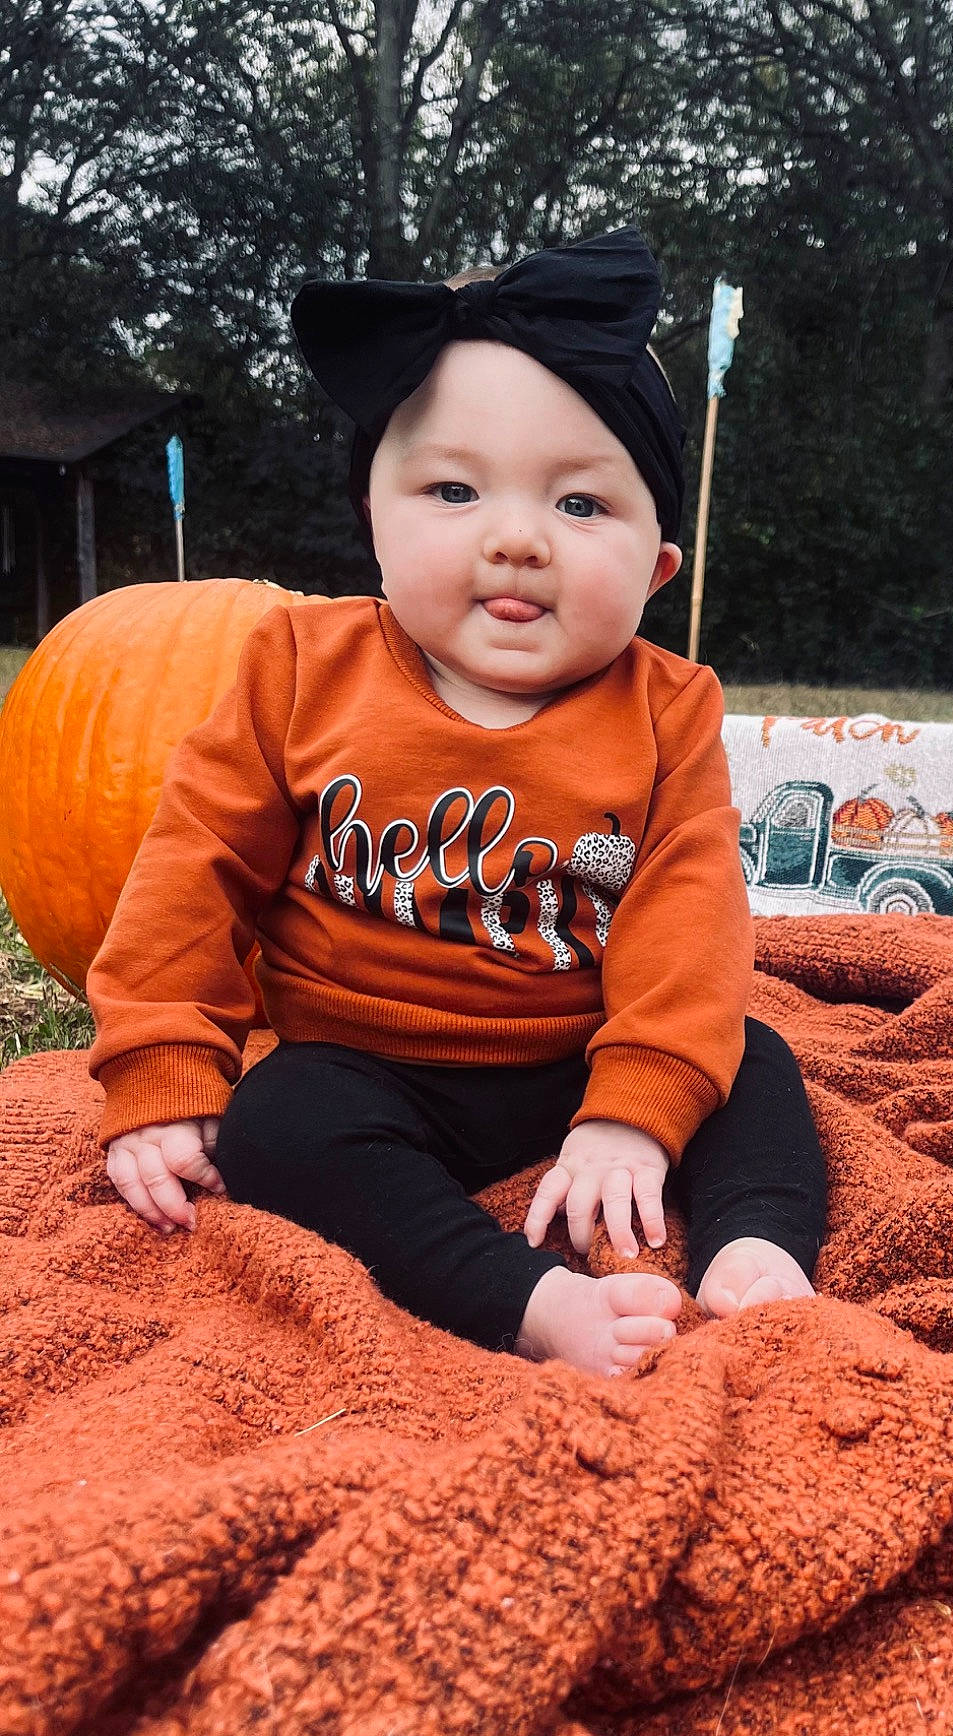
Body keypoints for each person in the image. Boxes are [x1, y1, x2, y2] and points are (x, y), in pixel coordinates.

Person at [86, 226, 826, 1377]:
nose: (519, 536)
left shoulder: (666, 708)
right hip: (368, 1065)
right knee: (281, 1126)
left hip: (584, 1047)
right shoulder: (297, 667)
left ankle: (759, 1247)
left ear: (657, 567)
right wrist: (160, 1061)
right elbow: (195, 869)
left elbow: (687, 919)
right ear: (372, 516)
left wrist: (636, 1102)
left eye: (583, 506)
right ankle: (519, 1296)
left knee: (748, 1056)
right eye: (453, 488)